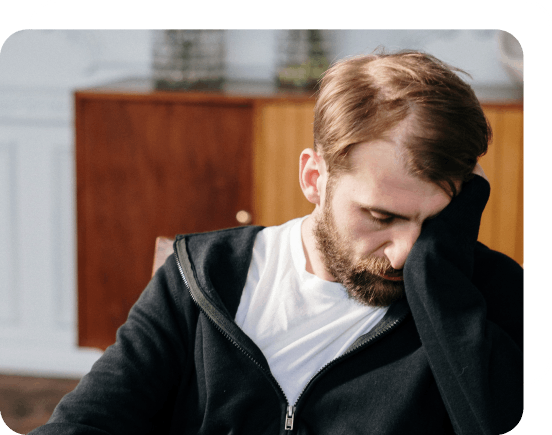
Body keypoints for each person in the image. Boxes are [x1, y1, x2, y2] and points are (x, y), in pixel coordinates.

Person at [29, 50, 523, 435]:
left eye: (435, 223)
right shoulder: (201, 277)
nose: (403, 253)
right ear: (314, 177)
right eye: (380, 216)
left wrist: (442, 280)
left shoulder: (487, 296)